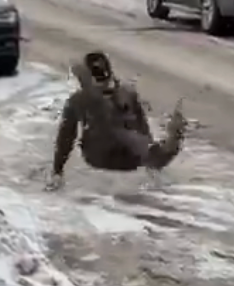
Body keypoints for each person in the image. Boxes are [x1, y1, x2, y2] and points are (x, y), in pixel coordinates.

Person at [50, 51, 186, 185]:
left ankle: (168, 145)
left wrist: (57, 171)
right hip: (124, 157)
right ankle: (170, 144)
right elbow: (144, 134)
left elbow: (65, 140)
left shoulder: (79, 100)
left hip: (102, 156)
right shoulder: (125, 93)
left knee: (125, 133)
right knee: (134, 139)